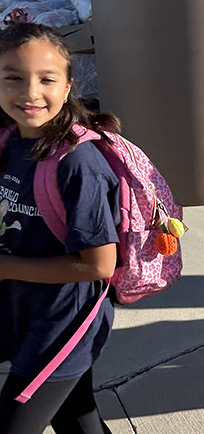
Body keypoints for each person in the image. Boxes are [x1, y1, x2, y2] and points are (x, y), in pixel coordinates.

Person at [0, 23, 120, 433]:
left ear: (68, 87)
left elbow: (99, 265)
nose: (30, 92)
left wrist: (5, 267)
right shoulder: (10, 142)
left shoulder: (77, 163)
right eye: (13, 78)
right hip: (25, 313)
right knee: (77, 418)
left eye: (46, 79)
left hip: (62, 326)